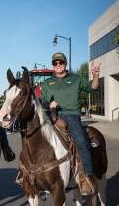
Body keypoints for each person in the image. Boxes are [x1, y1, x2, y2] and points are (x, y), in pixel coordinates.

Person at [41, 52, 100, 195]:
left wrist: (96, 75)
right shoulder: (48, 82)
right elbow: (42, 101)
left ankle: (86, 176)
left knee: (81, 140)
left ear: (65, 63)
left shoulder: (76, 79)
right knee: (35, 138)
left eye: (60, 62)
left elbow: (93, 88)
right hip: (53, 115)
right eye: (55, 63)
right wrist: (49, 104)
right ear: (52, 65)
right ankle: (30, 173)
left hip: (71, 115)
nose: (58, 65)